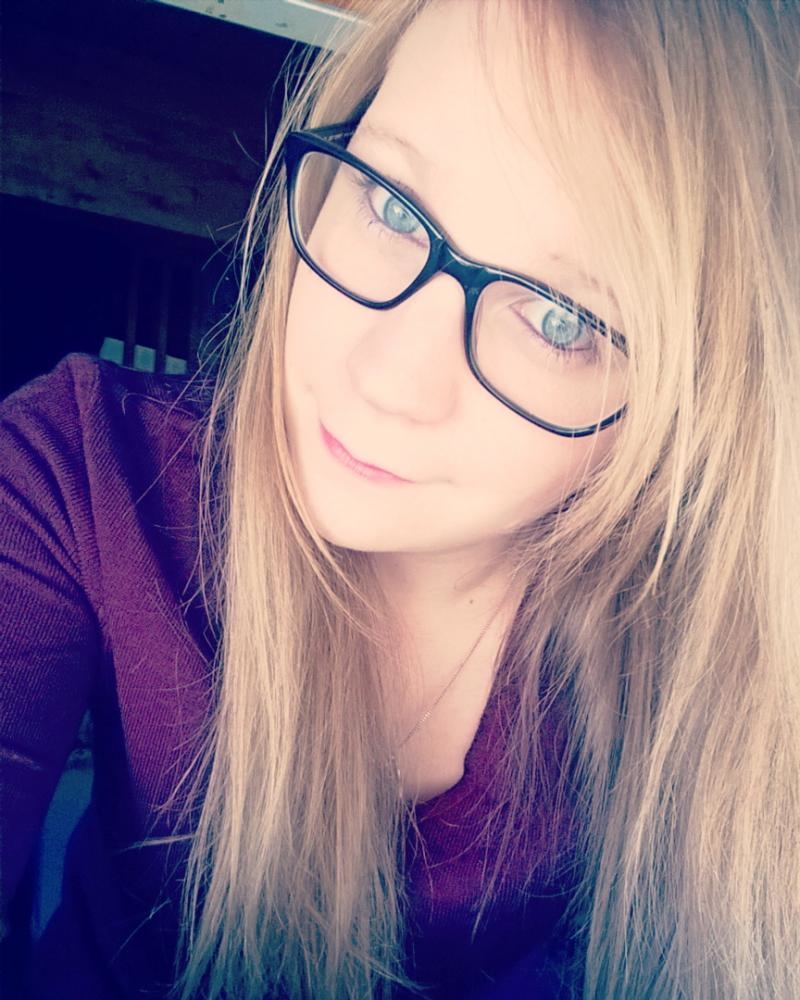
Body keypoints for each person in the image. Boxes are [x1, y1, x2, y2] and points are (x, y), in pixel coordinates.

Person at [2, 0, 799, 997]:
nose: (387, 378)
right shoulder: (86, 473)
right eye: (390, 206)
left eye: (558, 318)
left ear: (695, 399)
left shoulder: (712, 678)